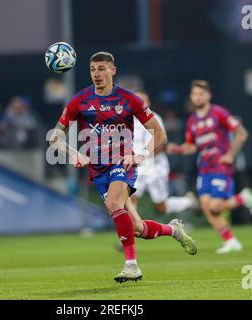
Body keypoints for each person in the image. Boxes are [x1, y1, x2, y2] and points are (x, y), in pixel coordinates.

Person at [49, 52, 197, 283]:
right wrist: (73, 154)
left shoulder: (130, 99)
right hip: (98, 170)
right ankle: (173, 230)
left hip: (122, 162)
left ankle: (131, 265)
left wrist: (142, 155)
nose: (97, 74)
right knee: (137, 228)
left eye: (101, 69)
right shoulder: (79, 101)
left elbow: (160, 134)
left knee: (113, 203)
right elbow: (55, 137)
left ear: (112, 70)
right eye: (93, 70)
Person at [166, 80, 252, 254]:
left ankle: (243, 198)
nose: (198, 97)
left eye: (201, 94)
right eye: (195, 94)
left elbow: (242, 133)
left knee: (215, 206)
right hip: (205, 169)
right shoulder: (192, 121)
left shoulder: (219, 113)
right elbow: (192, 146)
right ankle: (230, 240)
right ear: (191, 97)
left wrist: (231, 155)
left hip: (221, 166)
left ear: (208, 96)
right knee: (206, 207)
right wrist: (177, 149)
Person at [131, 91, 198, 215]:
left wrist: (143, 156)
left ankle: (188, 201)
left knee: (161, 208)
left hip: (156, 166)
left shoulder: (154, 118)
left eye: (142, 100)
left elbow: (161, 143)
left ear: (148, 103)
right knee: (130, 201)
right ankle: (132, 230)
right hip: (137, 168)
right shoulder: (127, 121)